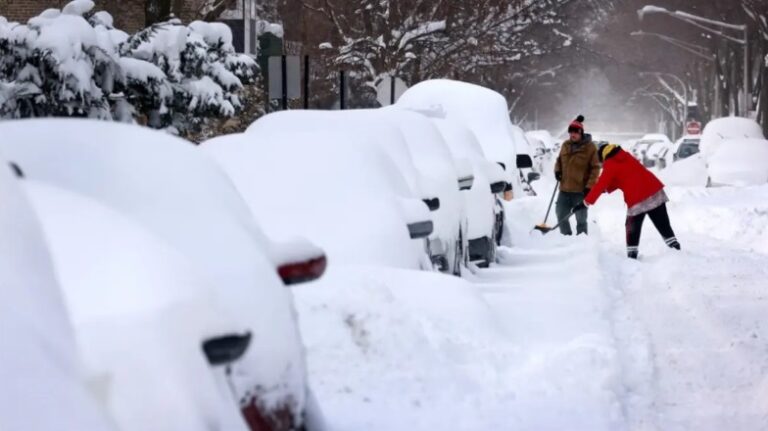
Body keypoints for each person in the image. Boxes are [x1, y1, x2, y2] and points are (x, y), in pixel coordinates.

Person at [578, 143, 681, 259]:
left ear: (602, 156)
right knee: (663, 225)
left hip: (638, 199)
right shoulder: (625, 155)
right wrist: (595, 191)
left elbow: (602, 183)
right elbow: (619, 179)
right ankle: (677, 251)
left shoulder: (610, 163)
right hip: (655, 192)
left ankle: (632, 257)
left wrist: (585, 202)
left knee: (632, 228)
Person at [554, 115, 600, 235]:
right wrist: (557, 171)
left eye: (575, 132)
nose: (572, 135)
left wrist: (589, 187)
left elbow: (595, 168)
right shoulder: (565, 145)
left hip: (580, 191)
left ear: (581, 133)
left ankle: (582, 243)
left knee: (581, 219)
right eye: (570, 132)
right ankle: (567, 238)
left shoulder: (590, 148)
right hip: (564, 189)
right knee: (561, 215)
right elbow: (559, 160)